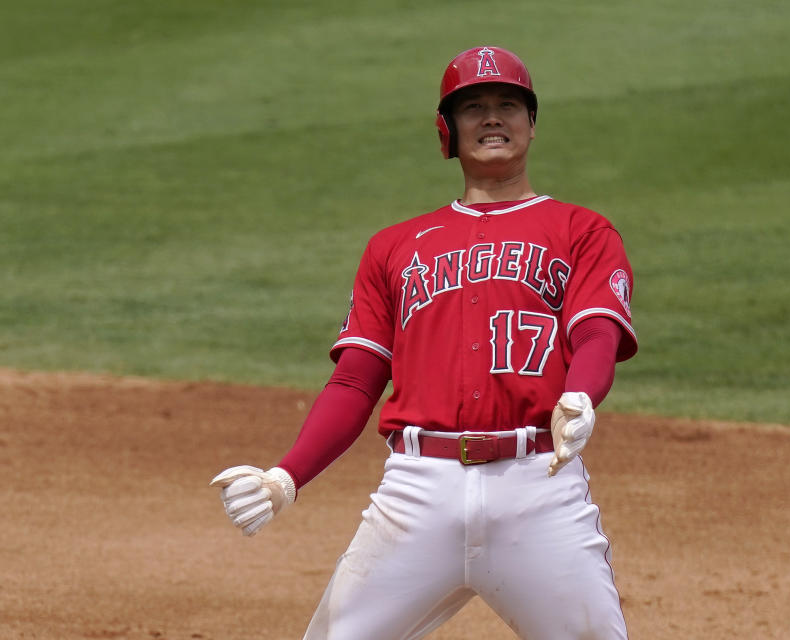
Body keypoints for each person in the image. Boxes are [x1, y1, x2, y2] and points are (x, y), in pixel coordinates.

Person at [211, 45, 638, 639]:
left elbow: (597, 333)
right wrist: (287, 477)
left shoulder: (582, 231)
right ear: (448, 130)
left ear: (532, 124)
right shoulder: (394, 247)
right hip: (416, 495)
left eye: (509, 105)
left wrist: (582, 395)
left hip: (538, 486)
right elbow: (357, 378)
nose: (493, 118)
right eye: (474, 108)